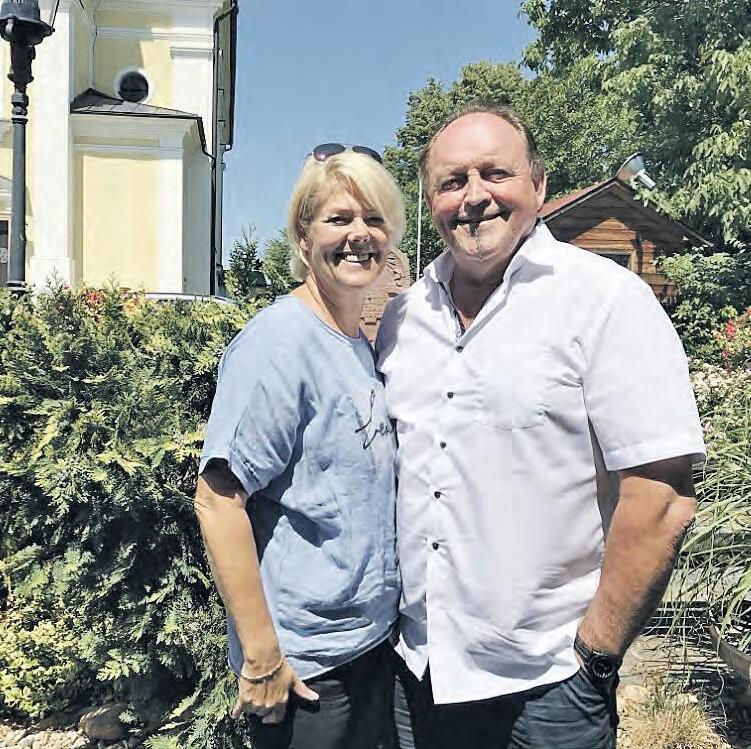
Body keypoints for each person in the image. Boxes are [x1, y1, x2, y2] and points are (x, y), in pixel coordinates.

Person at [376, 105, 706, 749]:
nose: (473, 196)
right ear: (430, 200)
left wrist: (596, 656)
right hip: (418, 674)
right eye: (451, 181)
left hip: (549, 686)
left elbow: (662, 496)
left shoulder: (604, 300)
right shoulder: (403, 318)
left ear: (538, 184)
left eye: (494, 173)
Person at [195, 143, 405, 749]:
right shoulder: (278, 344)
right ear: (303, 234)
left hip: (368, 646)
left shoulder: (356, 341)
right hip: (307, 666)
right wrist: (261, 655)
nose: (359, 235)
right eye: (339, 219)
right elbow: (218, 501)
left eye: (374, 219)